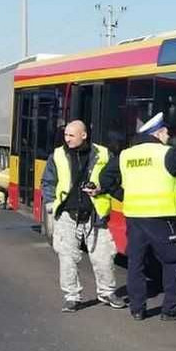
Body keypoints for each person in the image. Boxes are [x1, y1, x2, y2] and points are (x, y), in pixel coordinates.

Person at [102, 112, 176, 321]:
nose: (168, 136)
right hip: (161, 217)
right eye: (166, 132)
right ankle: (170, 308)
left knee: (136, 263)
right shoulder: (165, 154)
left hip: (134, 217)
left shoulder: (126, 155)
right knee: (172, 261)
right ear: (157, 133)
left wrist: (123, 195)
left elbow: (105, 179)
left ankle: (138, 309)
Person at [40, 120, 125, 313]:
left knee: (104, 256)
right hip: (67, 215)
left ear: (84, 135)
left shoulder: (104, 154)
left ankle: (107, 292)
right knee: (67, 257)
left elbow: (114, 178)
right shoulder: (58, 155)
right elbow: (48, 181)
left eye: (71, 135)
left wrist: (100, 189)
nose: (66, 139)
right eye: (66, 135)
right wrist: (51, 204)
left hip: (96, 213)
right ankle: (72, 297)